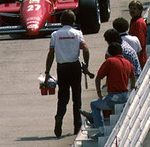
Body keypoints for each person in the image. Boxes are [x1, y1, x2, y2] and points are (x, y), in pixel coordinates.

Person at [44, 10, 90, 138]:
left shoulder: (55, 35)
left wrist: (47, 72)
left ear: (61, 21)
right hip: (75, 67)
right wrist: (86, 64)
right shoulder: (77, 33)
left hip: (62, 68)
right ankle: (77, 125)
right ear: (73, 21)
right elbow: (85, 49)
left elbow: (51, 54)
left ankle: (59, 116)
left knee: (63, 98)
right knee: (77, 98)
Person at [84, 42, 136, 138]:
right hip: (125, 96)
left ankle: (102, 131)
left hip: (113, 97)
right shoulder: (128, 63)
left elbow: (98, 78)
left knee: (94, 104)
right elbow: (132, 77)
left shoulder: (110, 61)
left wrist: (99, 93)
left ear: (110, 52)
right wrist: (133, 86)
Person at [127, 1, 147, 66]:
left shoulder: (139, 23)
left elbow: (141, 42)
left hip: (139, 57)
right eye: (130, 9)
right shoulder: (133, 21)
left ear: (140, 10)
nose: (132, 11)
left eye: (134, 9)